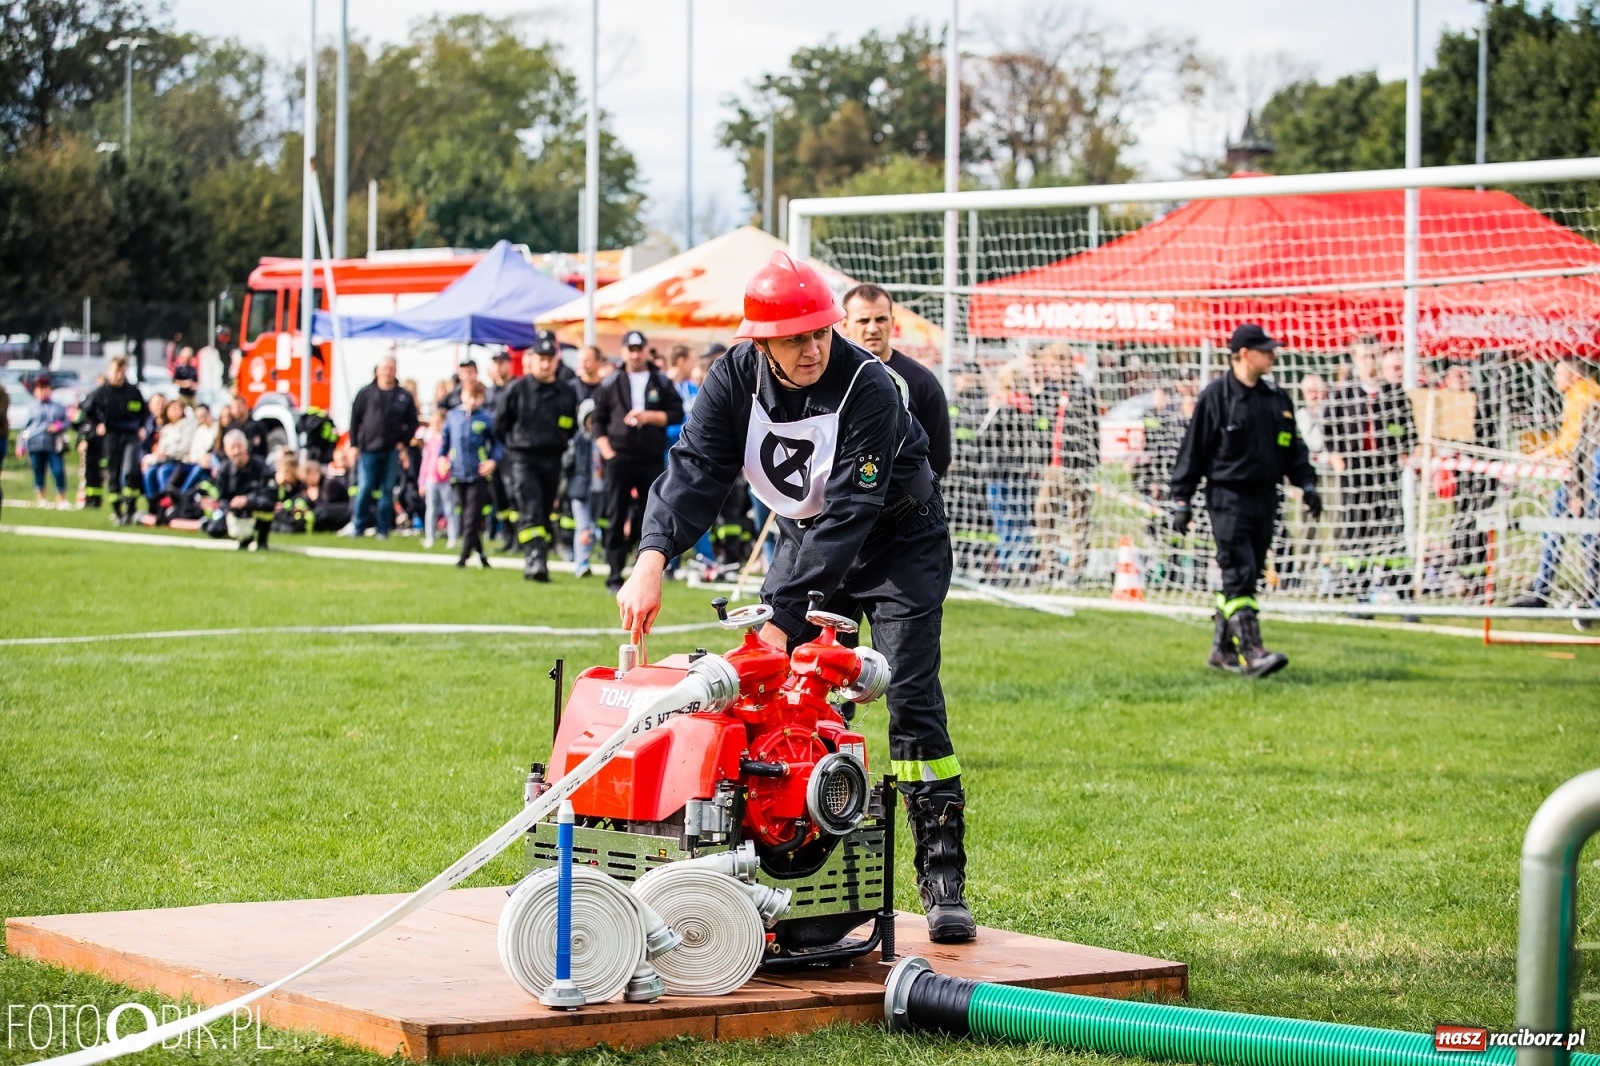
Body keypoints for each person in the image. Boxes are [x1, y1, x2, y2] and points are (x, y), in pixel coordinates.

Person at [616, 250, 975, 944]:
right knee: (786, 701)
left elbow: (850, 511)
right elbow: (694, 470)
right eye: (794, 338)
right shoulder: (730, 380)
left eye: (820, 333)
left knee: (909, 697)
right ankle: (802, 879)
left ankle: (941, 878)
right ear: (761, 341)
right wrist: (653, 556)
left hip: (899, 541)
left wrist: (781, 621)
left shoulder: (869, 385)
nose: (812, 348)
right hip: (809, 539)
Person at [1169, 323, 1322, 677]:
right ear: (1242, 354)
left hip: (1266, 498)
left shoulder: (1276, 399)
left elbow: (1292, 448)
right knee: (1238, 570)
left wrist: (1307, 484)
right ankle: (1252, 650)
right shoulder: (1216, 396)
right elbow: (1193, 450)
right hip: (1228, 497)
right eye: (1265, 349)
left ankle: (1221, 650)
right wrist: (1182, 498)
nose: (1272, 355)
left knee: (1247, 575)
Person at [592, 329, 684, 592]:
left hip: (649, 458)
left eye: (639, 349)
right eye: (630, 349)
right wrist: (606, 451)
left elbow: (676, 413)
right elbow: (597, 419)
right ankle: (613, 573)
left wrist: (649, 417)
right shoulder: (612, 383)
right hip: (619, 457)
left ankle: (646, 571)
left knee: (651, 515)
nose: (635, 354)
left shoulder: (661, 381)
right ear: (623, 352)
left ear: (646, 350)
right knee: (615, 514)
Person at [1325, 336, 1415, 598]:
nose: (1370, 362)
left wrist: (1407, 451)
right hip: (1354, 472)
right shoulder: (1343, 395)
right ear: (1356, 359)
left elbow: (1407, 430)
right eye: (1365, 357)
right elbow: (1329, 430)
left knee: (1391, 529)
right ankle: (1358, 592)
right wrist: (1335, 456)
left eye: (1374, 356)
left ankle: (1401, 590)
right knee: (1356, 530)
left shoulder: (1394, 394)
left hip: (1385, 471)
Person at [1511, 358, 1600, 618]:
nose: (1555, 379)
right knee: (1566, 531)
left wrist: (1576, 490)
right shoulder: (1585, 392)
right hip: (1581, 477)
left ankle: (1585, 595)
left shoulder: (1582, 396)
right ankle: (1544, 589)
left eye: (1559, 374)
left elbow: (1577, 445)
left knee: (1585, 535)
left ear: (1573, 375)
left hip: (1584, 479)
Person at [840, 284, 952, 479]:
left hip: (902, 504)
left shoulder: (922, 382)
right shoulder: (827, 378)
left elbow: (939, 455)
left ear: (892, 321)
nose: (873, 328)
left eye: (881, 319)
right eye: (863, 320)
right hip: (838, 502)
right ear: (845, 324)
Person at [494, 330, 578, 581]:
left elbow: (570, 425)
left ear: (556, 360)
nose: (544, 363)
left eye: (549, 358)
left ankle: (539, 556)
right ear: (530, 359)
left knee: (544, 509)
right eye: (540, 357)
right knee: (529, 507)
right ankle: (535, 559)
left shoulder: (566, 391)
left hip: (552, 458)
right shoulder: (517, 389)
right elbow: (500, 424)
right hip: (523, 457)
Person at [347, 355, 418, 539]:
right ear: (377, 370)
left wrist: (403, 441)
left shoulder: (403, 396)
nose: (387, 372)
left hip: (391, 451)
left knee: (387, 491)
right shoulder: (366, 393)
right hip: (368, 450)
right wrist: (354, 444)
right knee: (365, 488)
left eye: (391, 368)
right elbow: (355, 420)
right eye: (384, 368)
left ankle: (383, 529)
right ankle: (358, 526)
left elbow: (412, 422)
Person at [80, 355, 147, 525]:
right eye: (116, 371)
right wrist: (97, 424)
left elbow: (143, 413)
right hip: (111, 435)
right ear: (110, 371)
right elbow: (86, 411)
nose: (119, 375)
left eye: (122, 371)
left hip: (130, 435)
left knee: (131, 471)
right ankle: (118, 511)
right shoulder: (101, 392)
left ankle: (131, 507)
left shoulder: (133, 392)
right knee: (113, 472)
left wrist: (141, 426)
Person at [441, 382, 502, 569]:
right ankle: (481, 554)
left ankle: (463, 556)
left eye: (477, 397)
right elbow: (444, 444)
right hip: (458, 473)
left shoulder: (486, 418)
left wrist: (493, 461)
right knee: (469, 516)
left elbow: (498, 444)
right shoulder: (453, 417)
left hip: (478, 474)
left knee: (471, 516)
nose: (473, 400)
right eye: (470, 396)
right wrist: (441, 459)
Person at [202, 429, 275, 550]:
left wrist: (247, 500)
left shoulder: (261, 467)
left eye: (239, 446)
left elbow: (270, 496)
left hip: (255, 511)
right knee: (214, 528)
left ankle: (261, 540)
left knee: (266, 508)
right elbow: (220, 497)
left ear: (246, 446)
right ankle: (241, 538)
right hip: (233, 512)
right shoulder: (224, 470)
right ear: (226, 450)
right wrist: (231, 507)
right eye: (232, 448)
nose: (236, 452)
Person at [563, 398, 602, 578]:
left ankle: (585, 557)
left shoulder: (603, 440)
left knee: (592, 527)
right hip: (580, 490)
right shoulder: (579, 440)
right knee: (583, 526)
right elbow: (568, 464)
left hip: (599, 489)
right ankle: (581, 562)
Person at [19, 377, 70, 508]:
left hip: (53, 444)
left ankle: (61, 499)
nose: (42, 392)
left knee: (58, 471)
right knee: (38, 472)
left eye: (45, 388)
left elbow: (67, 422)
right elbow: (25, 429)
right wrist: (21, 445)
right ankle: (41, 498)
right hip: (34, 443)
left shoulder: (57, 407)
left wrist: (58, 426)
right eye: (40, 389)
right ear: (36, 391)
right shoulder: (32, 407)